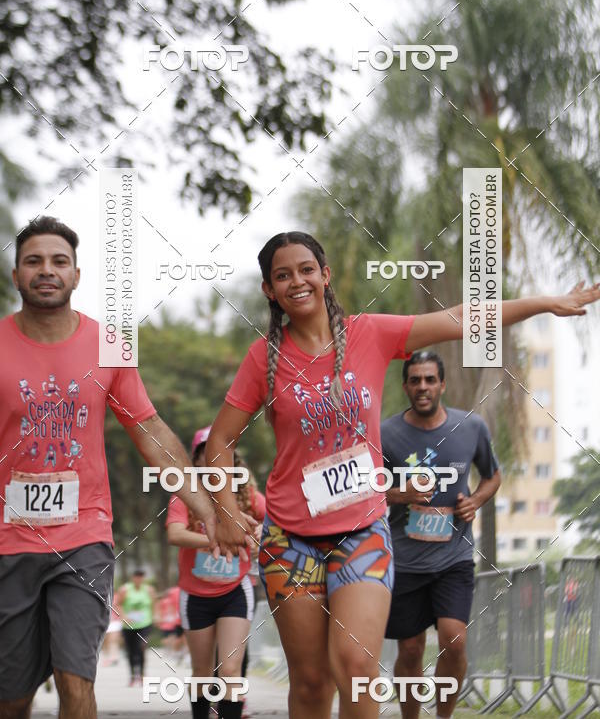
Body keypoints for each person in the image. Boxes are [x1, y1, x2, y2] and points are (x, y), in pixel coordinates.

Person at [204, 230, 600, 719]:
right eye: (282, 275)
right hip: (290, 540)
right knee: (309, 685)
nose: (297, 281)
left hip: (362, 533)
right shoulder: (262, 359)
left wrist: (544, 302)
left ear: (324, 276)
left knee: (356, 668)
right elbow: (221, 441)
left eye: (307, 269)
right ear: (269, 290)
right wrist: (223, 512)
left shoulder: (371, 332)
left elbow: (459, 319)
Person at [0, 216, 218, 719]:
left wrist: (200, 502)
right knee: (11, 697)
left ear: (77, 275)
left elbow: (149, 430)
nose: (46, 271)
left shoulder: (111, 343)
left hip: (84, 537)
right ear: (16, 276)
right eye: (33, 261)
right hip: (10, 541)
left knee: (77, 678)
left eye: (59, 261)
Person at [381, 351, 501, 719]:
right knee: (412, 649)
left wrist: (476, 500)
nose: (422, 387)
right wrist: (401, 494)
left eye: (430, 379)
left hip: (454, 558)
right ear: (405, 386)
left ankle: (444, 716)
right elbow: (368, 487)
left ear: (442, 384)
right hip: (405, 560)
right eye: (415, 380)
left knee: (454, 639)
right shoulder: (386, 433)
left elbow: (493, 475)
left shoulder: (471, 428)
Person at [166, 427, 266, 719]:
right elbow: (175, 534)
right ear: (195, 460)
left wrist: (260, 531)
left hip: (235, 591)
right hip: (195, 596)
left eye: (222, 455)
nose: (214, 461)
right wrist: (218, 540)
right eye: (206, 455)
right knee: (202, 671)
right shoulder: (185, 494)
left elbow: (274, 518)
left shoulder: (246, 494)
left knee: (231, 669)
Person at [114, 569, 156, 685]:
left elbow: (153, 604)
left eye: (141, 577)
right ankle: (133, 675)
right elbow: (118, 604)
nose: (139, 579)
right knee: (131, 651)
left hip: (145, 623)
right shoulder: (125, 589)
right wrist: (123, 616)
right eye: (137, 576)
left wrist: (155, 617)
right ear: (133, 578)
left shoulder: (149, 590)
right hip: (129, 625)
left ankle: (142, 674)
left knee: (141, 646)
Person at [156, 585, 185, 659]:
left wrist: (160, 618)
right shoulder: (172, 599)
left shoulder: (163, 601)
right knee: (173, 636)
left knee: (167, 636)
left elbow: (160, 610)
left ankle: (169, 650)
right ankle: (172, 650)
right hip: (172, 619)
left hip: (167, 620)